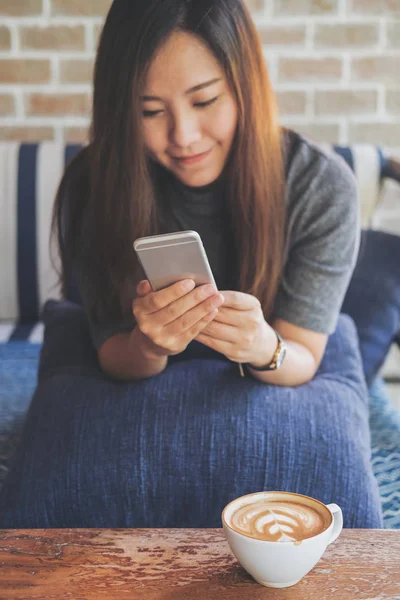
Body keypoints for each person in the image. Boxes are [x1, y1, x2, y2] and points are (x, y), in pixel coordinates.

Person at [0, 0, 383, 530]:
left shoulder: (319, 186)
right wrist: (149, 344)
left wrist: (262, 346)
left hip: (270, 377)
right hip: (134, 391)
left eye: (205, 100)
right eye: (150, 111)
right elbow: (112, 353)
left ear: (244, 84)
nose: (182, 136)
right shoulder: (95, 185)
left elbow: (302, 356)